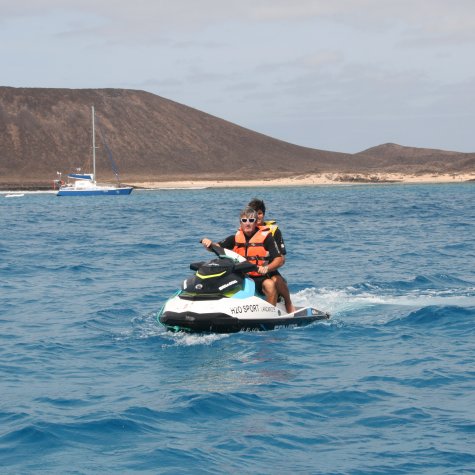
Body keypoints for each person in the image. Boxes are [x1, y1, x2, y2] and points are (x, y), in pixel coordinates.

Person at [201, 207, 284, 306]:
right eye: (244, 220)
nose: (247, 223)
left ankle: (271, 314)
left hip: (258, 276)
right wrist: (208, 244)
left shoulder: (267, 238)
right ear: (240, 223)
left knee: (270, 285)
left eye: (251, 220)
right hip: (239, 275)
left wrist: (266, 268)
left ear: (256, 222)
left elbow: (279, 260)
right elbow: (215, 248)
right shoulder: (234, 238)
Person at [248, 198, 296, 313]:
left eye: (259, 213)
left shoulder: (273, 232)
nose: (258, 216)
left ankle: (288, 303)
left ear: (263, 214)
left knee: (276, 279)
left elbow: (281, 259)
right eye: (254, 213)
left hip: (269, 269)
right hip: (250, 270)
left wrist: (267, 268)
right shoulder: (246, 231)